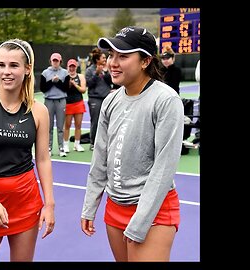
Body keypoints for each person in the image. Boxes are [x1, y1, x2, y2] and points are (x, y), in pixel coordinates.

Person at [80, 26, 184, 261]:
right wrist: (90, 205)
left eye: (123, 56)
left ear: (145, 61)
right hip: (115, 208)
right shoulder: (110, 101)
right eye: (111, 55)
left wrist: (139, 222)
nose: (113, 63)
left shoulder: (166, 100)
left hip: (153, 212)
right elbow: (100, 159)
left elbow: (163, 169)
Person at [0, 38, 55, 261]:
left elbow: (43, 159)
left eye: (13, 65)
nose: (6, 71)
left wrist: (49, 204)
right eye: (1, 65)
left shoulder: (39, 111)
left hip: (26, 200)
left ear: (27, 69)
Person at [40, 52, 68, 157]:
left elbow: (66, 88)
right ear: (51, 61)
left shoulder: (65, 73)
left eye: (57, 61)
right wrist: (52, 81)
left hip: (61, 101)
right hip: (49, 101)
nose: (55, 62)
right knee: (49, 126)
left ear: (60, 61)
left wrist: (59, 81)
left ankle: (61, 148)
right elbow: (43, 88)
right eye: (53, 60)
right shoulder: (45, 73)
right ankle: (49, 147)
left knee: (60, 126)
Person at [85, 48, 112, 150]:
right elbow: (89, 84)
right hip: (95, 99)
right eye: (103, 58)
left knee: (108, 121)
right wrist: (96, 74)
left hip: (107, 98)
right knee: (95, 121)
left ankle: (106, 142)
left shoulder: (108, 69)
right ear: (97, 60)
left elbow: (111, 81)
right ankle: (93, 143)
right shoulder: (89, 70)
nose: (105, 59)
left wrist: (104, 73)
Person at [62, 59, 87, 153]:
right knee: (67, 125)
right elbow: (63, 90)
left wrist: (75, 85)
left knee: (78, 125)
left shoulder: (80, 76)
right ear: (67, 67)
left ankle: (77, 144)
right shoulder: (64, 77)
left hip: (78, 103)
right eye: (70, 66)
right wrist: (68, 84)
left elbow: (83, 90)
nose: (72, 68)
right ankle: (65, 145)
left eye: (73, 66)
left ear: (76, 67)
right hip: (67, 103)